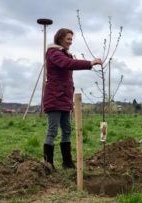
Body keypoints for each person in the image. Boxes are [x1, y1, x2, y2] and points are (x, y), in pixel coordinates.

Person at [43, 28, 102, 169]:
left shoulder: (64, 54)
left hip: (65, 99)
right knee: (53, 130)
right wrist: (90, 63)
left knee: (67, 130)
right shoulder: (54, 53)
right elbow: (68, 64)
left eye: (71, 39)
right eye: (68, 39)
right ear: (60, 38)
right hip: (54, 98)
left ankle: (67, 163)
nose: (70, 41)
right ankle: (48, 164)